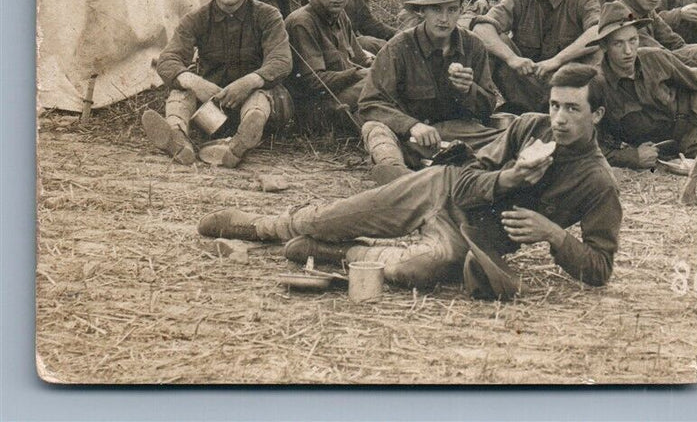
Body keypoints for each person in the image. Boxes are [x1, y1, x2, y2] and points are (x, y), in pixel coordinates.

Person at [198, 63, 621, 299]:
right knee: (331, 216)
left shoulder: (598, 182)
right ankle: (258, 226)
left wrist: (553, 235)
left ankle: (333, 252)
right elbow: (463, 178)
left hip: (471, 237)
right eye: (555, 106)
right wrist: (507, 179)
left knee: (414, 271)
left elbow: (600, 269)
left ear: (597, 115)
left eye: (573, 110)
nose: (560, 119)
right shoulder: (530, 127)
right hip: (437, 189)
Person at [143, 0, 292, 168]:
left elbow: (281, 60)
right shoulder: (196, 19)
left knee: (259, 96)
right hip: (213, 109)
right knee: (181, 91)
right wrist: (193, 82)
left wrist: (250, 81)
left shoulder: (267, 16)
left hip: (257, 103)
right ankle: (176, 136)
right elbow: (168, 59)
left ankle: (243, 140)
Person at [353, 0, 503, 184]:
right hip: (409, 138)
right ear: (423, 12)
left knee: (504, 137)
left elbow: (488, 107)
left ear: (461, 11)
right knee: (374, 129)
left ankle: (476, 165)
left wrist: (469, 90)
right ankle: (398, 176)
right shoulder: (399, 47)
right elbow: (369, 103)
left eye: (452, 10)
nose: (444, 19)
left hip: (456, 133)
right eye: (436, 10)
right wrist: (412, 125)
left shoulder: (473, 45)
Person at [590, 3, 697, 173]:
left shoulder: (654, 57)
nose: (628, 51)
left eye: (633, 40)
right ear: (604, 46)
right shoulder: (598, 86)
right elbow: (590, 146)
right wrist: (633, 157)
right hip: (686, 139)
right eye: (618, 44)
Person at [473, 0, 601, 106]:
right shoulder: (518, 0)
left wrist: (557, 60)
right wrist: (512, 58)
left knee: (596, 51)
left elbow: (597, 32)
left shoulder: (583, 2)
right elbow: (481, 27)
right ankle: (480, 111)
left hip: (568, 90)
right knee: (491, 44)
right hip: (525, 88)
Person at [285, 0, 374, 127]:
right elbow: (312, 81)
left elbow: (359, 58)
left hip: (344, 93)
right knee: (378, 85)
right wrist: (357, 74)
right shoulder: (302, 22)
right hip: (315, 107)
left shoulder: (340, 15)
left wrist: (379, 65)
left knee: (391, 77)